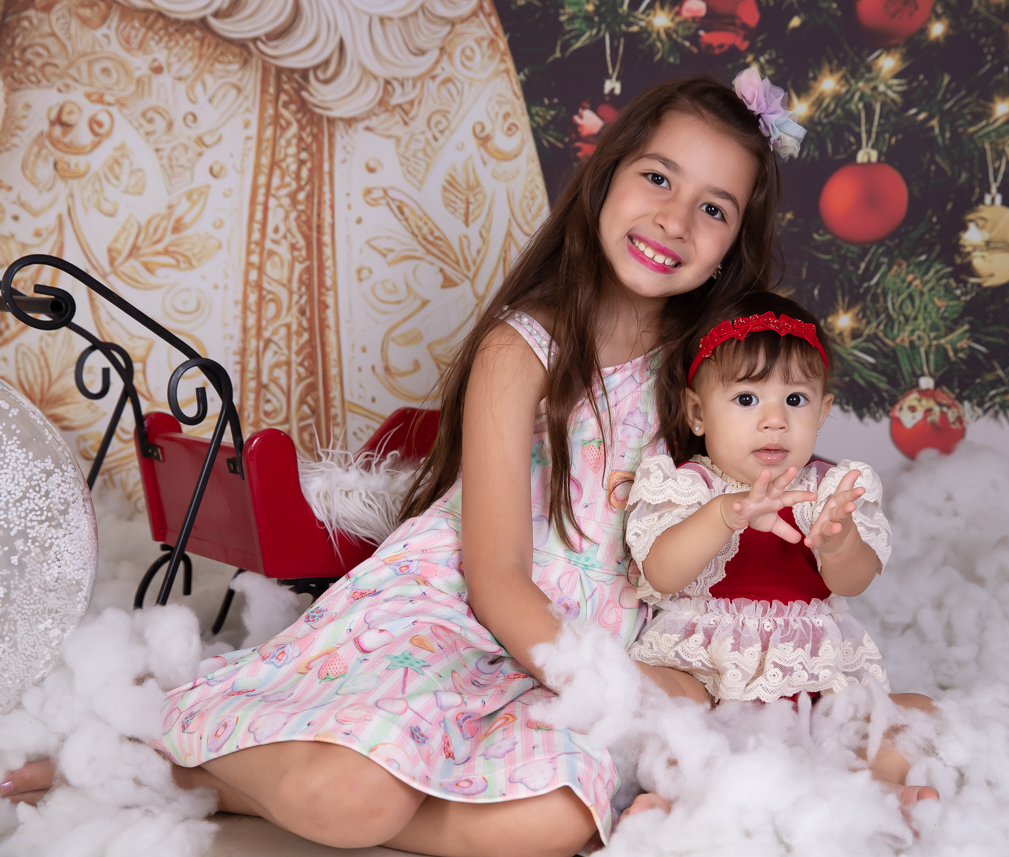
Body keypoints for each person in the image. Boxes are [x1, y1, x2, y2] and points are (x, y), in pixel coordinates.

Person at [3, 71, 805, 856]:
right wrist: (614, 692)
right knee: (355, 795)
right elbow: (496, 580)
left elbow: (740, 516)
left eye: (713, 208)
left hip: (580, 655)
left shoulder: (711, 376)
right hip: (459, 618)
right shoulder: (524, 349)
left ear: (733, 245)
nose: (674, 219)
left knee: (559, 818)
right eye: (657, 177)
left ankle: (281, 787)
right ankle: (171, 759)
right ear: (606, 178)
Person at [621, 290, 940, 814]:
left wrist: (839, 542)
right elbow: (661, 572)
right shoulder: (688, 487)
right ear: (698, 413)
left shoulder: (829, 490)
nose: (774, 419)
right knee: (657, 702)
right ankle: (689, 799)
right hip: (708, 676)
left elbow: (854, 580)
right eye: (747, 399)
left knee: (918, 714)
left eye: (795, 400)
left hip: (811, 687)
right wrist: (723, 515)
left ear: (823, 411)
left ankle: (876, 788)